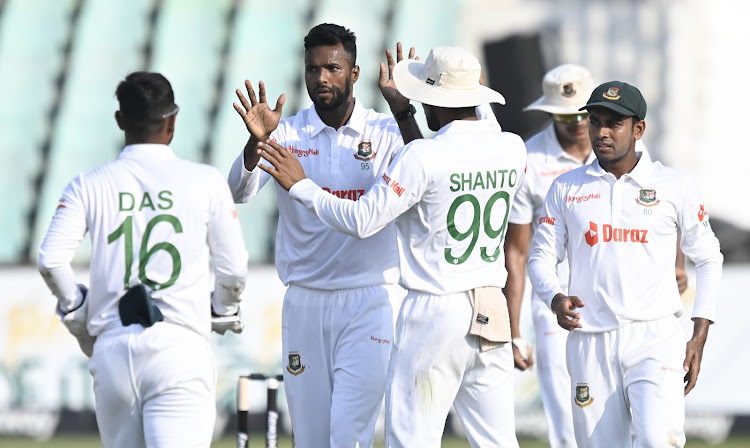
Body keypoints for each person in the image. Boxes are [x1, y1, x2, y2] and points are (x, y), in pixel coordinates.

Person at [255, 46, 525, 448]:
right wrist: (405, 112)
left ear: (435, 100)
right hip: (491, 307)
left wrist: (302, 186)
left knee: (412, 440)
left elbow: (363, 220)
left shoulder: (424, 156)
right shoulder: (512, 148)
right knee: (498, 441)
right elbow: (440, 164)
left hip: (434, 310)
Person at [227, 24, 424, 447]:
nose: (321, 78)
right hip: (305, 302)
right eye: (313, 69)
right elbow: (238, 193)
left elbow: (426, 173)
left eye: (332, 68)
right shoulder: (287, 133)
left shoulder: (385, 132)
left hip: (370, 300)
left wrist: (404, 111)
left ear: (353, 74)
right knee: (312, 439)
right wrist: (253, 143)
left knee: (349, 435)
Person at [37, 72, 249, 447]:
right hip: (179, 349)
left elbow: (51, 260)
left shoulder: (89, 184)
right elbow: (232, 271)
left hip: (113, 353)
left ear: (120, 120)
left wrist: (77, 313)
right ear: (172, 120)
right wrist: (222, 309)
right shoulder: (205, 180)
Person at [527, 81, 723, 447]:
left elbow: (709, 257)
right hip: (589, 340)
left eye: (614, 123)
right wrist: (554, 298)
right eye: (595, 120)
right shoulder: (566, 187)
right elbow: (540, 255)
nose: (601, 132)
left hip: (654, 337)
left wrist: (699, 335)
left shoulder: (673, 185)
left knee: (655, 439)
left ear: (638, 129)